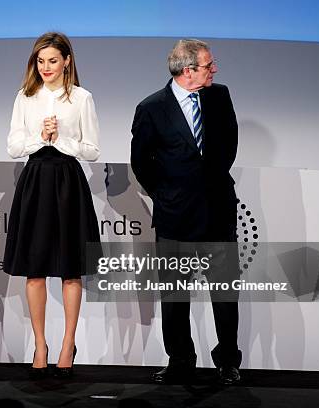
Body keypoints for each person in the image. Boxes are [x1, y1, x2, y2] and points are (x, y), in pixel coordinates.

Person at [130, 39, 241, 385]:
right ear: (188, 70)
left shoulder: (219, 96)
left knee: (224, 294)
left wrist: (210, 183)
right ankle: (180, 359)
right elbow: (140, 162)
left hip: (217, 212)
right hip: (175, 216)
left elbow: (230, 144)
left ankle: (227, 361)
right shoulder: (151, 108)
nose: (215, 70)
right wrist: (165, 195)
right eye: (209, 65)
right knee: (175, 296)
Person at [3, 32, 101, 378]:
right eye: (41, 61)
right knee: (35, 269)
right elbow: (14, 147)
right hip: (35, 179)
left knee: (71, 268)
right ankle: (41, 344)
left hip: (68, 181)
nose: (46, 67)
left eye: (53, 61)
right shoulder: (24, 97)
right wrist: (39, 138)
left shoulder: (82, 98)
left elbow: (92, 150)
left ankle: (67, 343)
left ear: (67, 62)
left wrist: (62, 139)